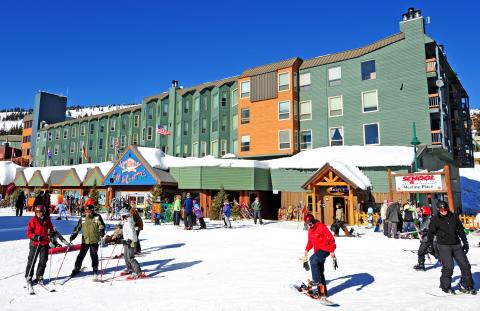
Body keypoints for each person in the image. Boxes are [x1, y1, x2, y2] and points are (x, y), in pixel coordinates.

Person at [427, 201, 476, 295]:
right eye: (441, 210)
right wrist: (430, 245)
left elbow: (461, 230)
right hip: (443, 245)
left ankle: (467, 285)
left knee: (465, 265)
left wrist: (465, 243)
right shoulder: (435, 219)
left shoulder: (454, 216)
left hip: (456, 244)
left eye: (445, 209)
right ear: (438, 209)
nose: (444, 211)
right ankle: (445, 286)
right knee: (448, 267)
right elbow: (430, 233)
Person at [303, 214, 336, 299]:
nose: (309, 226)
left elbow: (331, 238)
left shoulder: (321, 227)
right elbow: (310, 241)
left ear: (313, 221)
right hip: (317, 251)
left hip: (325, 250)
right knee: (319, 270)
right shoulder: (310, 230)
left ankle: (316, 281)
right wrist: (306, 250)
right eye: (307, 224)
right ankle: (322, 292)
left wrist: (332, 250)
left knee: (313, 259)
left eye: (310, 224)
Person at [69, 201, 105, 281]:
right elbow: (78, 227)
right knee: (81, 255)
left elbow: (101, 225)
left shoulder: (97, 217)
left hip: (94, 240)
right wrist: (74, 235)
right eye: (86, 211)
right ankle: (77, 268)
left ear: (92, 211)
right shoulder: (83, 218)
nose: (87, 213)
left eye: (89, 211)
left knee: (93, 255)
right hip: (85, 240)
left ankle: (95, 269)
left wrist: (102, 231)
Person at [25, 205, 54, 284]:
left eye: (40, 212)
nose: (38, 213)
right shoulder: (33, 221)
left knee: (43, 260)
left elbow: (51, 229)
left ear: (43, 212)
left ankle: (39, 276)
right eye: (37, 212)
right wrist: (35, 237)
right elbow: (29, 233)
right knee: (32, 260)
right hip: (35, 243)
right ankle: (29, 276)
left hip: (44, 243)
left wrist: (51, 233)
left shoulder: (47, 220)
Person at [118, 209, 146, 279]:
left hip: (131, 241)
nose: (120, 217)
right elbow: (126, 231)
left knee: (130, 257)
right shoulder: (126, 221)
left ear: (124, 215)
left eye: (121, 216)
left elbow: (132, 232)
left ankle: (138, 272)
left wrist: (130, 239)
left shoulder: (129, 222)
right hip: (126, 240)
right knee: (125, 256)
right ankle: (129, 268)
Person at [413, 206, 433, 271]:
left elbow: (422, 229)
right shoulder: (425, 218)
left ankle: (421, 265)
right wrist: (417, 223)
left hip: (427, 238)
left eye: (420, 212)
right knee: (423, 251)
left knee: (421, 252)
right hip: (426, 238)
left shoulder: (428, 219)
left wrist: (419, 226)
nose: (419, 213)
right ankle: (421, 264)